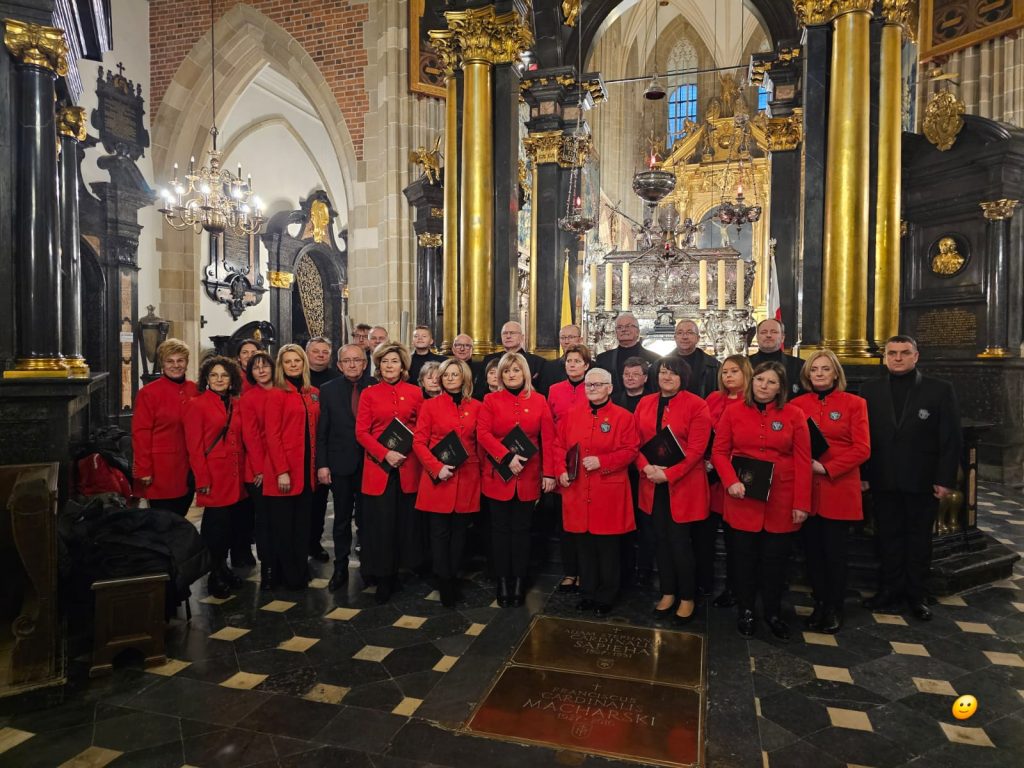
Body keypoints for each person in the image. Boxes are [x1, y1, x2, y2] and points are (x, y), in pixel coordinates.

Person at [860, 335, 961, 622]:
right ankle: (889, 591)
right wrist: (864, 475)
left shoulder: (939, 390)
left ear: (916, 357)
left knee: (919, 541)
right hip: (883, 478)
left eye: (905, 353)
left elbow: (950, 438)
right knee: (888, 537)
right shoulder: (870, 389)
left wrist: (944, 479)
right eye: (892, 353)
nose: (898, 358)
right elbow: (863, 437)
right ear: (885, 357)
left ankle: (917, 596)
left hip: (922, 479)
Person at [712, 361, 811, 640]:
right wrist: (731, 481)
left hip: (781, 500)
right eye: (759, 380)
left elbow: (803, 461)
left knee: (775, 562)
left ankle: (773, 611)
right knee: (743, 560)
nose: (763, 386)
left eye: (770, 382)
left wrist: (801, 503)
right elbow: (719, 452)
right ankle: (746, 610)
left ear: (780, 387)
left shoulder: (794, 414)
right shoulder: (733, 412)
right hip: (743, 498)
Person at [791, 349, 870, 633]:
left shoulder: (854, 404)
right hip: (806, 490)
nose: (820, 374)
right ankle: (819, 602)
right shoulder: (798, 404)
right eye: (815, 370)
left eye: (825, 369)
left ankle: (834, 606)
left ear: (836, 373)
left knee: (835, 553)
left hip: (838, 486)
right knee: (812, 552)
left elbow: (862, 448)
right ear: (808, 375)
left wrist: (828, 468)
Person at [634, 357, 714, 625]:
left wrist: (668, 474)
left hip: (684, 485)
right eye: (663, 372)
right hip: (651, 484)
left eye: (673, 374)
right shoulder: (645, 402)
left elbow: (696, 452)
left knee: (680, 543)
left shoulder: (697, 405)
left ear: (684, 378)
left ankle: (687, 597)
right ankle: (667, 592)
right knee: (660, 541)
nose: (666, 377)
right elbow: (635, 442)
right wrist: (646, 469)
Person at [555, 368, 639, 616]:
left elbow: (631, 450)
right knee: (584, 546)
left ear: (610, 388)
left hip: (608, 491)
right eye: (588, 385)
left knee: (607, 548)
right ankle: (588, 593)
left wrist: (604, 461)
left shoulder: (623, 417)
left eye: (597, 385)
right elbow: (558, 446)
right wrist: (560, 470)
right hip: (578, 489)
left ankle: (606, 595)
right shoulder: (571, 415)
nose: (591, 389)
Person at [478, 352, 558, 607]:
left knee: (522, 532)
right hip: (497, 476)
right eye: (506, 371)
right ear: (500, 375)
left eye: (516, 370)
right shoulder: (490, 400)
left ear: (525, 373)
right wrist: (505, 456)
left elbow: (549, 439)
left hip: (529, 476)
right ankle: (503, 581)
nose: (511, 375)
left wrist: (549, 473)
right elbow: (483, 433)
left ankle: (520, 582)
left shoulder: (539, 400)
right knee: (500, 532)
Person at [355, 341, 424, 603]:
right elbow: (361, 432)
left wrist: (407, 446)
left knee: (404, 525)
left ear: (403, 365)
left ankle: (399, 572)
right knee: (381, 526)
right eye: (384, 362)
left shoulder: (415, 392)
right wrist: (385, 453)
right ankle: (383, 577)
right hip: (379, 468)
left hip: (408, 466)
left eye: (394, 361)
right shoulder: (369, 394)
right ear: (378, 366)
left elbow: (421, 426)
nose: (389, 366)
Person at [413, 358, 481, 607]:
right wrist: (436, 468)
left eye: (455, 374)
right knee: (439, 533)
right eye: (446, 375)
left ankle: (453, 574)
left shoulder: (477, 406)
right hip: (438, 477)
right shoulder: (430, 406)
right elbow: (419, 442)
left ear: (464, 377)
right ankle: (444, 580)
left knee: (460, 532)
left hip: (467, 476)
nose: (451, 378)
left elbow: (480, 442)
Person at [185, 356, 246, 599]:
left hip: (236, 473)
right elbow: (194, 448)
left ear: (231, 380)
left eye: (224, 375)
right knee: (215, 530)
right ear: (206, 379)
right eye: (214, 375)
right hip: (214, 475)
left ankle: (224, 568)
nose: (219, 379)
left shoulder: (237, 404)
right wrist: (202, 480)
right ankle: (215, 574)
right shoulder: (196, 405)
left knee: (232, 527)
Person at [316, 344, 376, 591]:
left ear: (365, 363)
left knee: (368, 519)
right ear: (339, 365)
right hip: (340, 464)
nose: (352, 365)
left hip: (371, 464)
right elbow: (323, 432)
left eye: (357, 360)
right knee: (341, 520)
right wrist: (322, 465)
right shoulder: (328, 390)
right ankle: (340, 568)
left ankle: (369, 567)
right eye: (347, 361)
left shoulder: (375, 386)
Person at [263, 344, 321, 590]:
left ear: (304, 363)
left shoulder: (313, 392)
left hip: (307, 469)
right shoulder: (276, 394)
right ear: (281, 366)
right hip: (285, 470)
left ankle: (299, 570)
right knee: (283, 528)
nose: (293, 364)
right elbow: (272, 436)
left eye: (297, 360)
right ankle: (288, 575)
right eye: (288, 361)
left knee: (302, 526)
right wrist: (281, 471)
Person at [701, 354, 753, 608]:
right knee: (707, 535)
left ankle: (736, 588)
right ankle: (706, 582)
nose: (728, 376)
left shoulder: (752, 401)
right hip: (711, 475)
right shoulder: (713, 399)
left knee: (737, 541)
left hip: (738, 476)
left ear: (746, 373)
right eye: (725, 372)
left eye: (734, 371)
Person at [132, 338, 198, 516]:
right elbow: (141, 433)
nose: (175, 365)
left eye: (180, 360)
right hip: (161, 470)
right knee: (163, 522)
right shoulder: (148, 393)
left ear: (186, 362)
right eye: (170, 361)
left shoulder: (195, 389)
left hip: (188, 468)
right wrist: (143, 470)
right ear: (162, 363)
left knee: (181, 516)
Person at [545, 343, 592, 593]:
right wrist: (554, 468)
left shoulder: (593, 387)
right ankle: (570, 571)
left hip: (587, 460)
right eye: (569, 361)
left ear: (586, 365)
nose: (572, 365)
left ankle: (586, 571)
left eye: (577, 361)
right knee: (566, 522)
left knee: (587, 521)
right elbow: (550, 429)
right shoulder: (554, 390)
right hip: (561, 457)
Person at [614, 356, 654, 587]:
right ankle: (624, 565)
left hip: (645, 469)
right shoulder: (615, 399)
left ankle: (644, 568)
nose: (630, 378)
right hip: (619, 470)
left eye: (635, 374)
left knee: (646, 522)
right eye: (626, 375)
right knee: (621, 519)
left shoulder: (651, 401)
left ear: (645, 378)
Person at [240, 351, 276, 589]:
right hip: (259, 468)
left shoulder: (284, 392)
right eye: (256, 368)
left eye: (265, 366)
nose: (261, 370)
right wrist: (260, 469)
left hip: (283, 465)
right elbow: (250, 437)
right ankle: (268, 566)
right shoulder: (249, 398)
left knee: (281, 519)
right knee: (265, 521)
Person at [231, 339, 262, 566]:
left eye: (254, 352)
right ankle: (238, 550)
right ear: (238, 357)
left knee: (254, 505)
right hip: (236, 451)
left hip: (258, 452)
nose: (250, 356)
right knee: (237, 505)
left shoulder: (264, 383)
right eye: (245, 352)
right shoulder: (233, 382)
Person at [649, 320, 720, 398]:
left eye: (690, 333)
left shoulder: (713, 366)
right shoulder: (659, 365)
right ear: (675, 338)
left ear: (698, 338)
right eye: (680, 333)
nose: (684, 337)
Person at [595, 312, 659, 395]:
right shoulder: (603, 359)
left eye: (628, 326)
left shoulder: (654, 359)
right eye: (619, 327)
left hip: (644, 405)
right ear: (615, 332)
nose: (624, 330)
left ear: (637, 331)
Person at [748, 319, 804, 397]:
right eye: (763, 332)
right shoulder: (745, 364)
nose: (768, 335)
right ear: (757, 337)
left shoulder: (800, 366)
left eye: (774, 332)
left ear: (782, 338)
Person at [481, 321, 546, 388]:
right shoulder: (488, 359)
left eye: (512, 333)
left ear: (522, 337)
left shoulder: (538, 362)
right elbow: (481, 387)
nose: (508, 336)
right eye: (505, 333)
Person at [537, 324, 583, 395]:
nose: (566, 341)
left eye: (571, 337)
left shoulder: (592, 366)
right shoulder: (549, 367)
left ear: (580, 340)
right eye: (563, 338)